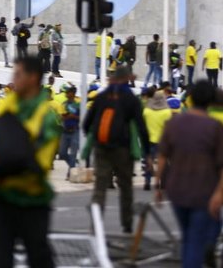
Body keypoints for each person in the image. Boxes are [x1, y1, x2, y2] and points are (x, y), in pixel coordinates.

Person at [0, 56, 60, 268]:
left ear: (33, 77)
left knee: (39, 257)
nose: (13, 79)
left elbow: (40, 162)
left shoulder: (46, 117)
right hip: (4, 198)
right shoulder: (7, 106)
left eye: (17, 74)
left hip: (33, 200)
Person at [156, 81, 223, 268]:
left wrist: (158, 185)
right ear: (210, 101)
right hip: (204, 192)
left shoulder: (174, 122)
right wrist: (219, 193)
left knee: (187, 237)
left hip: (176, 189)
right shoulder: (214, 127)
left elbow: (162, 156)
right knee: (196, 239)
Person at [83, 66, 150, 233]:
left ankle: (95, 226)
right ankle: (126, 224)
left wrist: (95, 142)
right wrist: (147, 153)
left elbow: (86, 124)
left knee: (100, 187)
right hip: (123, 149)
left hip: (101, 148)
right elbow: (141, 127)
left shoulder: (101, 97)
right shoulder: (131, 99)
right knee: (126, 186)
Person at [142, 91, 171, 191]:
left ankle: (147, 182)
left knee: (148, 161)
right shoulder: (167, 112)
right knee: (163, 162)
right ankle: (162, 182)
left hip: (149, 140)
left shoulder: (147, 111)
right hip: (162, 140)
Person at [57, 86, 80, 180]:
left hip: (75, 131)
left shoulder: (79, 104)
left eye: (68, 92)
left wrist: (73, 117)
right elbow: (61, 117)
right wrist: (66, 117)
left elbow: (83, 117)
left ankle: (70, 172)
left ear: (73, 93)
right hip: (65, 131)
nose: (66, 94)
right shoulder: (64, 104)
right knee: (62, 153)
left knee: (73, 153)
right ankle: (73, 164)